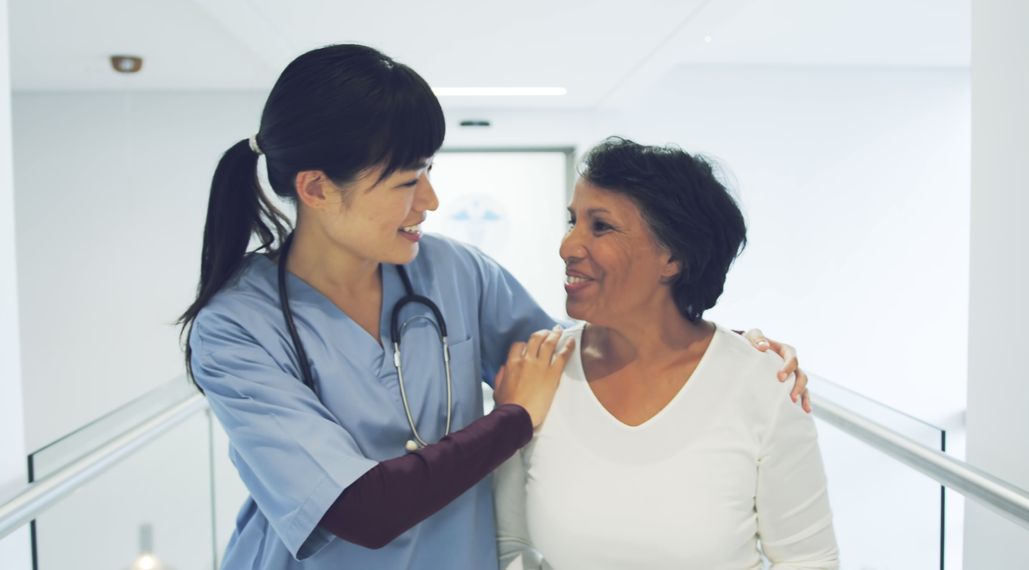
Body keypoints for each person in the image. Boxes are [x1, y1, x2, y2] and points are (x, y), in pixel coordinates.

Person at [178, 44, 810, 570]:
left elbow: (581, 365)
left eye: (427, 170)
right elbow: (358, 509)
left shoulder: (452, 271)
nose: (429, 199)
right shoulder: (236, 331)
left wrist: (715, 349)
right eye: (405, 182)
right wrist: (511, 418)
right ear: (317, 188)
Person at [494, 138, 838, 569]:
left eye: (600, 227)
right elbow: (507, 545)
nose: (568, 247)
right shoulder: (540, 371)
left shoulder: (762, 384)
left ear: (672, 257)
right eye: (573, 222)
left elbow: (808, 560)